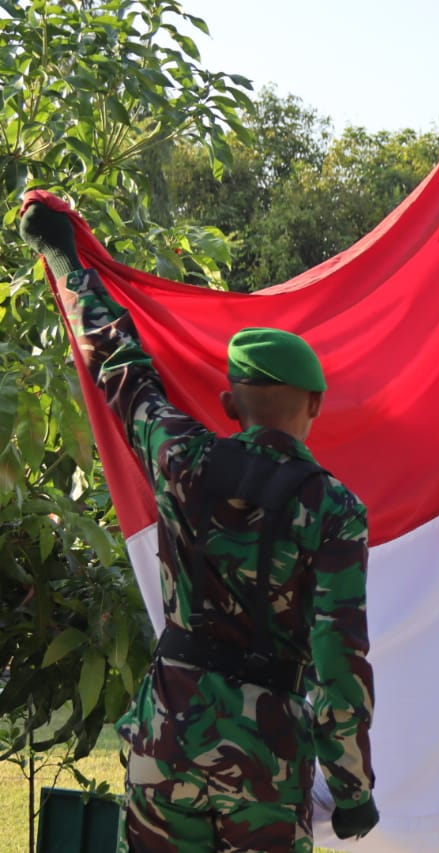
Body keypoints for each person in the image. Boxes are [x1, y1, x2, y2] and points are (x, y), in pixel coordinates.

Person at [19, 199, 378, 850]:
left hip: (167, 741)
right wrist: (352, 789)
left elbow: (117, 363)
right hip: (263, 761)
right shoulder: (334, 509)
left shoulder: (179, 456)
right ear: (316, 404)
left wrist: (62, 255)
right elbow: (338, 661)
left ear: (224, 402)